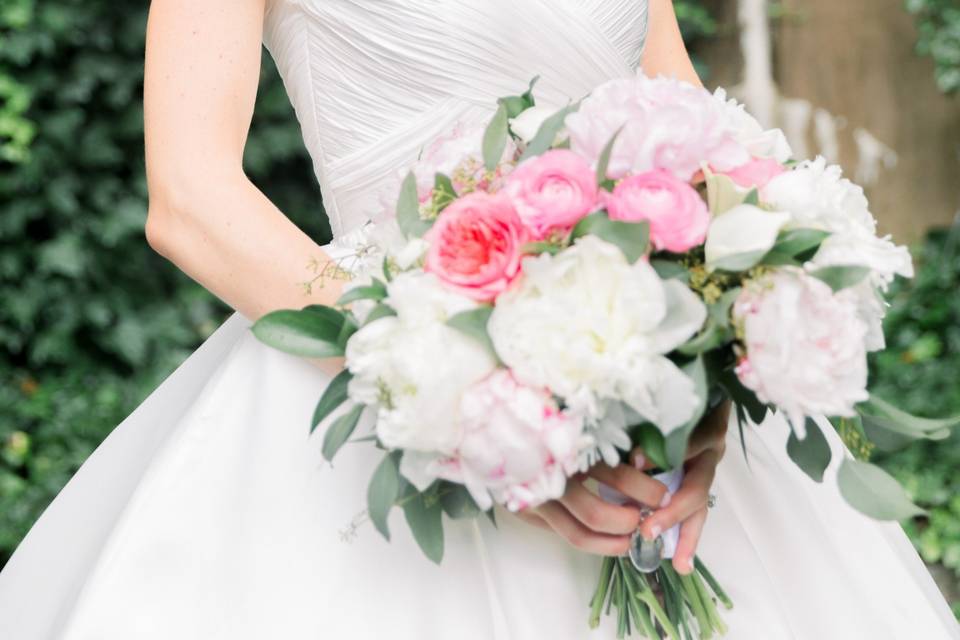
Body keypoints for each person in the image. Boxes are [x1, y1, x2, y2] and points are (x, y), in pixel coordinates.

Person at [0, 1, 956, 638]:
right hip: (381, 395)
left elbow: (700, 143)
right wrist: (469, 400)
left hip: (648, 403)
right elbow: (190, 198)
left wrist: (700, 397)